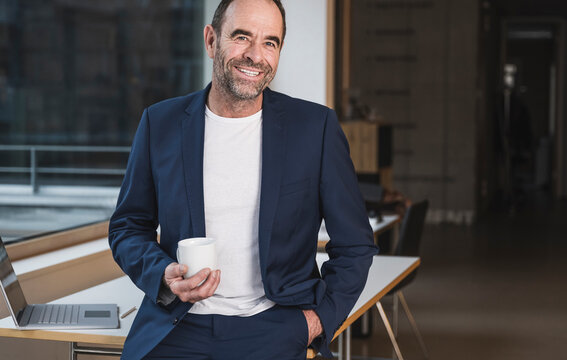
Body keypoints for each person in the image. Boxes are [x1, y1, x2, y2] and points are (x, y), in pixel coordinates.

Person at [108, 0, 378, 359]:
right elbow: (128, 226)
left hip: (274, 327)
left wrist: (316, 321)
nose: (255, 55)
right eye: (241, 37)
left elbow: (355, 245)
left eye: (270, 42)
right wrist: (163, 275)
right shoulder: (161, 123)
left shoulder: (315, 128)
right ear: (210, 40)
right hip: (178, 328)